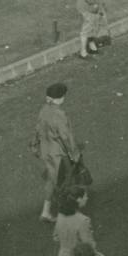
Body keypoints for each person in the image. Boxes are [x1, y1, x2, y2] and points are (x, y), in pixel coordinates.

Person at [35, 83, 84, 222]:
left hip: (46, 150)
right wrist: (74, 154)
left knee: (52, 179)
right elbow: (65, 136)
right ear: (60, 98)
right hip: (58, 153)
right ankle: (68, 212)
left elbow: (38, 130)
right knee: (67, 180)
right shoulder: (60, 114)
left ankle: (46, 211)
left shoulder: (43, 110)